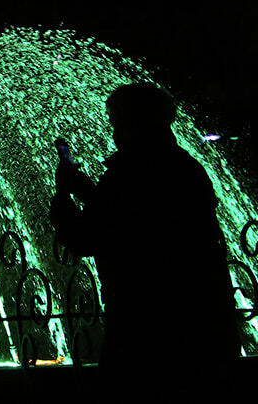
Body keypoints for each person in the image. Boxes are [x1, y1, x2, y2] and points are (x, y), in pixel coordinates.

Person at [50, 82, 239, 375]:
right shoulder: (184, 166)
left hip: (146, 331)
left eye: (115, 121)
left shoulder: (129, 171)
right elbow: (138, 219)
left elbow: (88, 237)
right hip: (206, 324)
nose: (113, 131)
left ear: (130, 122)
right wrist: (87, 190)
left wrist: (63, 196)